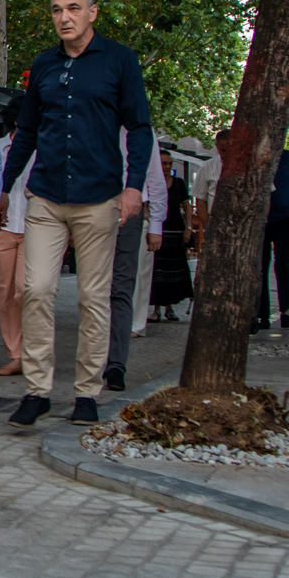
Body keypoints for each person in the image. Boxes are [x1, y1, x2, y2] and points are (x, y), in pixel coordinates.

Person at [1, 0, 153, 428]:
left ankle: (87, 392)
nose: (63, 17)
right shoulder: (44, 65)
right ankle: (37, 390)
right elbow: (26, 131)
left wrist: (134, 186)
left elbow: (140, 128)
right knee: (37, 290)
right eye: (55, 10)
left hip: (98, 198)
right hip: (46, 196)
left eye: (72, 8)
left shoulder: (119, 61)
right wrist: (5, 185)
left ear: (92, 13)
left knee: (92, 297)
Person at [106, 126, 167, 384]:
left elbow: (155, 178)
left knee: (121, 287)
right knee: (93, 289)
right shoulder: (92, 113)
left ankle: (116, 364)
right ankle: (94, 357)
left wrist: (155, 225)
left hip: (130, 213)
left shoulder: (141, 129)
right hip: (91, 209)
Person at [0, 123, 34, 377]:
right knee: (4, 292)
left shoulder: (43, 147)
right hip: (1, 228)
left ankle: (34, 350)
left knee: (29, 289)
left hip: (36, 227)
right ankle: (16, 354)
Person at [253, 146, 289, 332]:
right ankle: (263, 314)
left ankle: (285, 311)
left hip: (287, 218)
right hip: (262, 219)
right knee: (261, 267)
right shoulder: (258, 156)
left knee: (283, 264)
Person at [149, 150, 193, 319]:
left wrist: (188, 228)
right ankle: (157, 309)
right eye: (163, 163)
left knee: (173, 271)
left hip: (175, 231)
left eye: (169, 164)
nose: (167, 167)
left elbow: (187, 206)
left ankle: (170, 308)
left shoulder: (178, 183)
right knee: (157, 271)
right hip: (157, 231)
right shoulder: (152, 182)